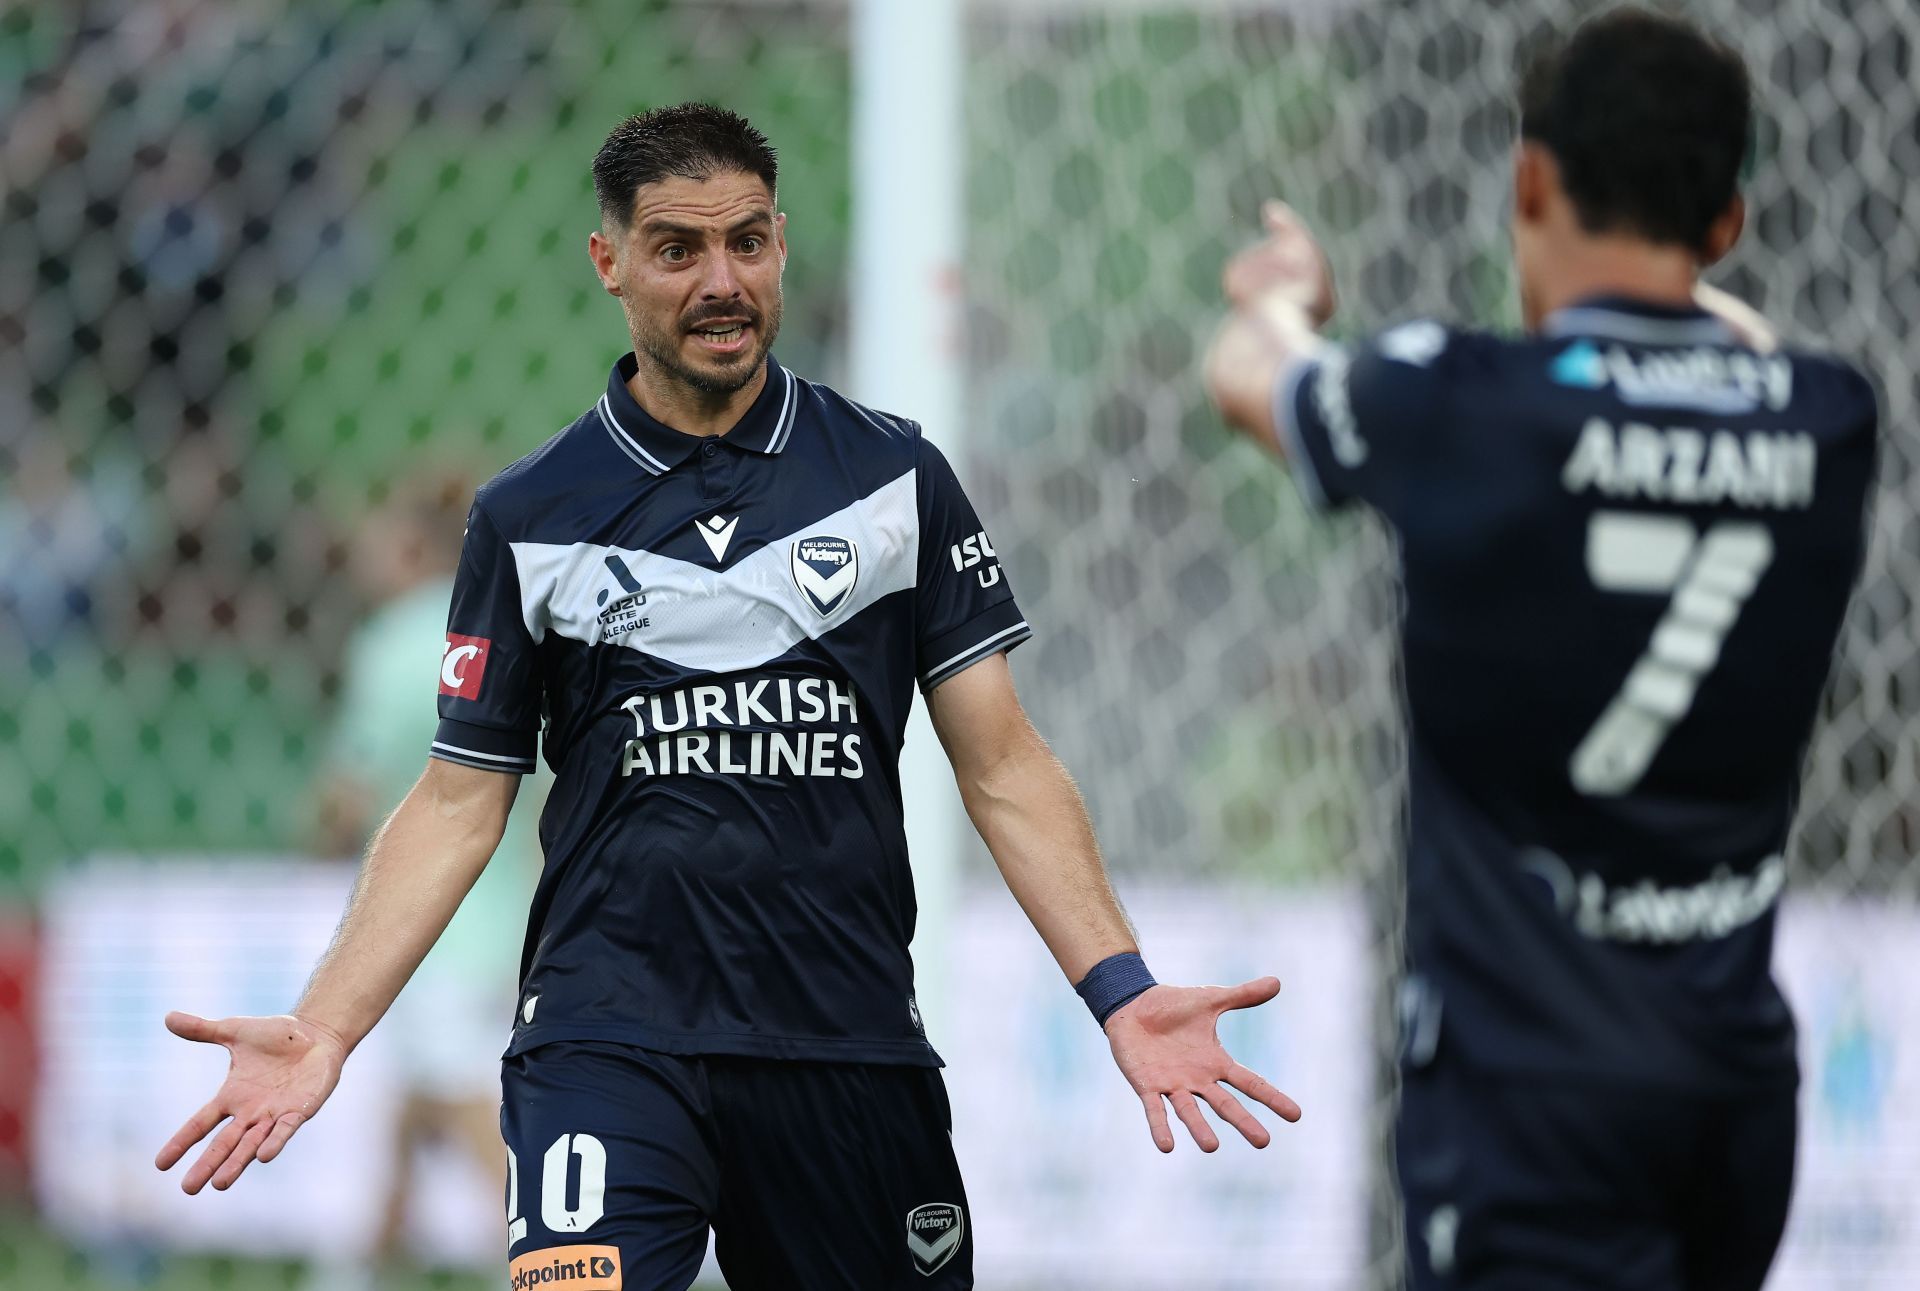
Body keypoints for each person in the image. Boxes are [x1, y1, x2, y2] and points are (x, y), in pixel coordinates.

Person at [156, 102, 1300, 1290]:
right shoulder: (530, 513)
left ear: (783, 245)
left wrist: (1121, 990)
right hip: (606, 1035)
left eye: (748, 243)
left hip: (842, 1040)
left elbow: (1002, 763)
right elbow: (457, 802)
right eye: (678, 249)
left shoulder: (894, 479)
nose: (722, 281)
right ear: (609, 263)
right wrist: (327, 1026)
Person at [1204, 10, 1877, 1290]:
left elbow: (1251, 375)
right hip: (1731, 1090)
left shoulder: (1464, 405)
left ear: (1528, 180)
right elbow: (1735, 349)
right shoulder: (1830, 420)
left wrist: (1281, 303)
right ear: (1728, 222)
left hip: (1530, 1095)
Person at [311, 471, 540, 1282]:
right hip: (507, 906)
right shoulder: (514, 627)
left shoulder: (389, 642)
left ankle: (547, 1256)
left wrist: (319, 832)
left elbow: (351, 794)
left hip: (420, 919)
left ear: (410, 545)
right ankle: (365, 1258)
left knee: (458, 1098)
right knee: (416, 1094)